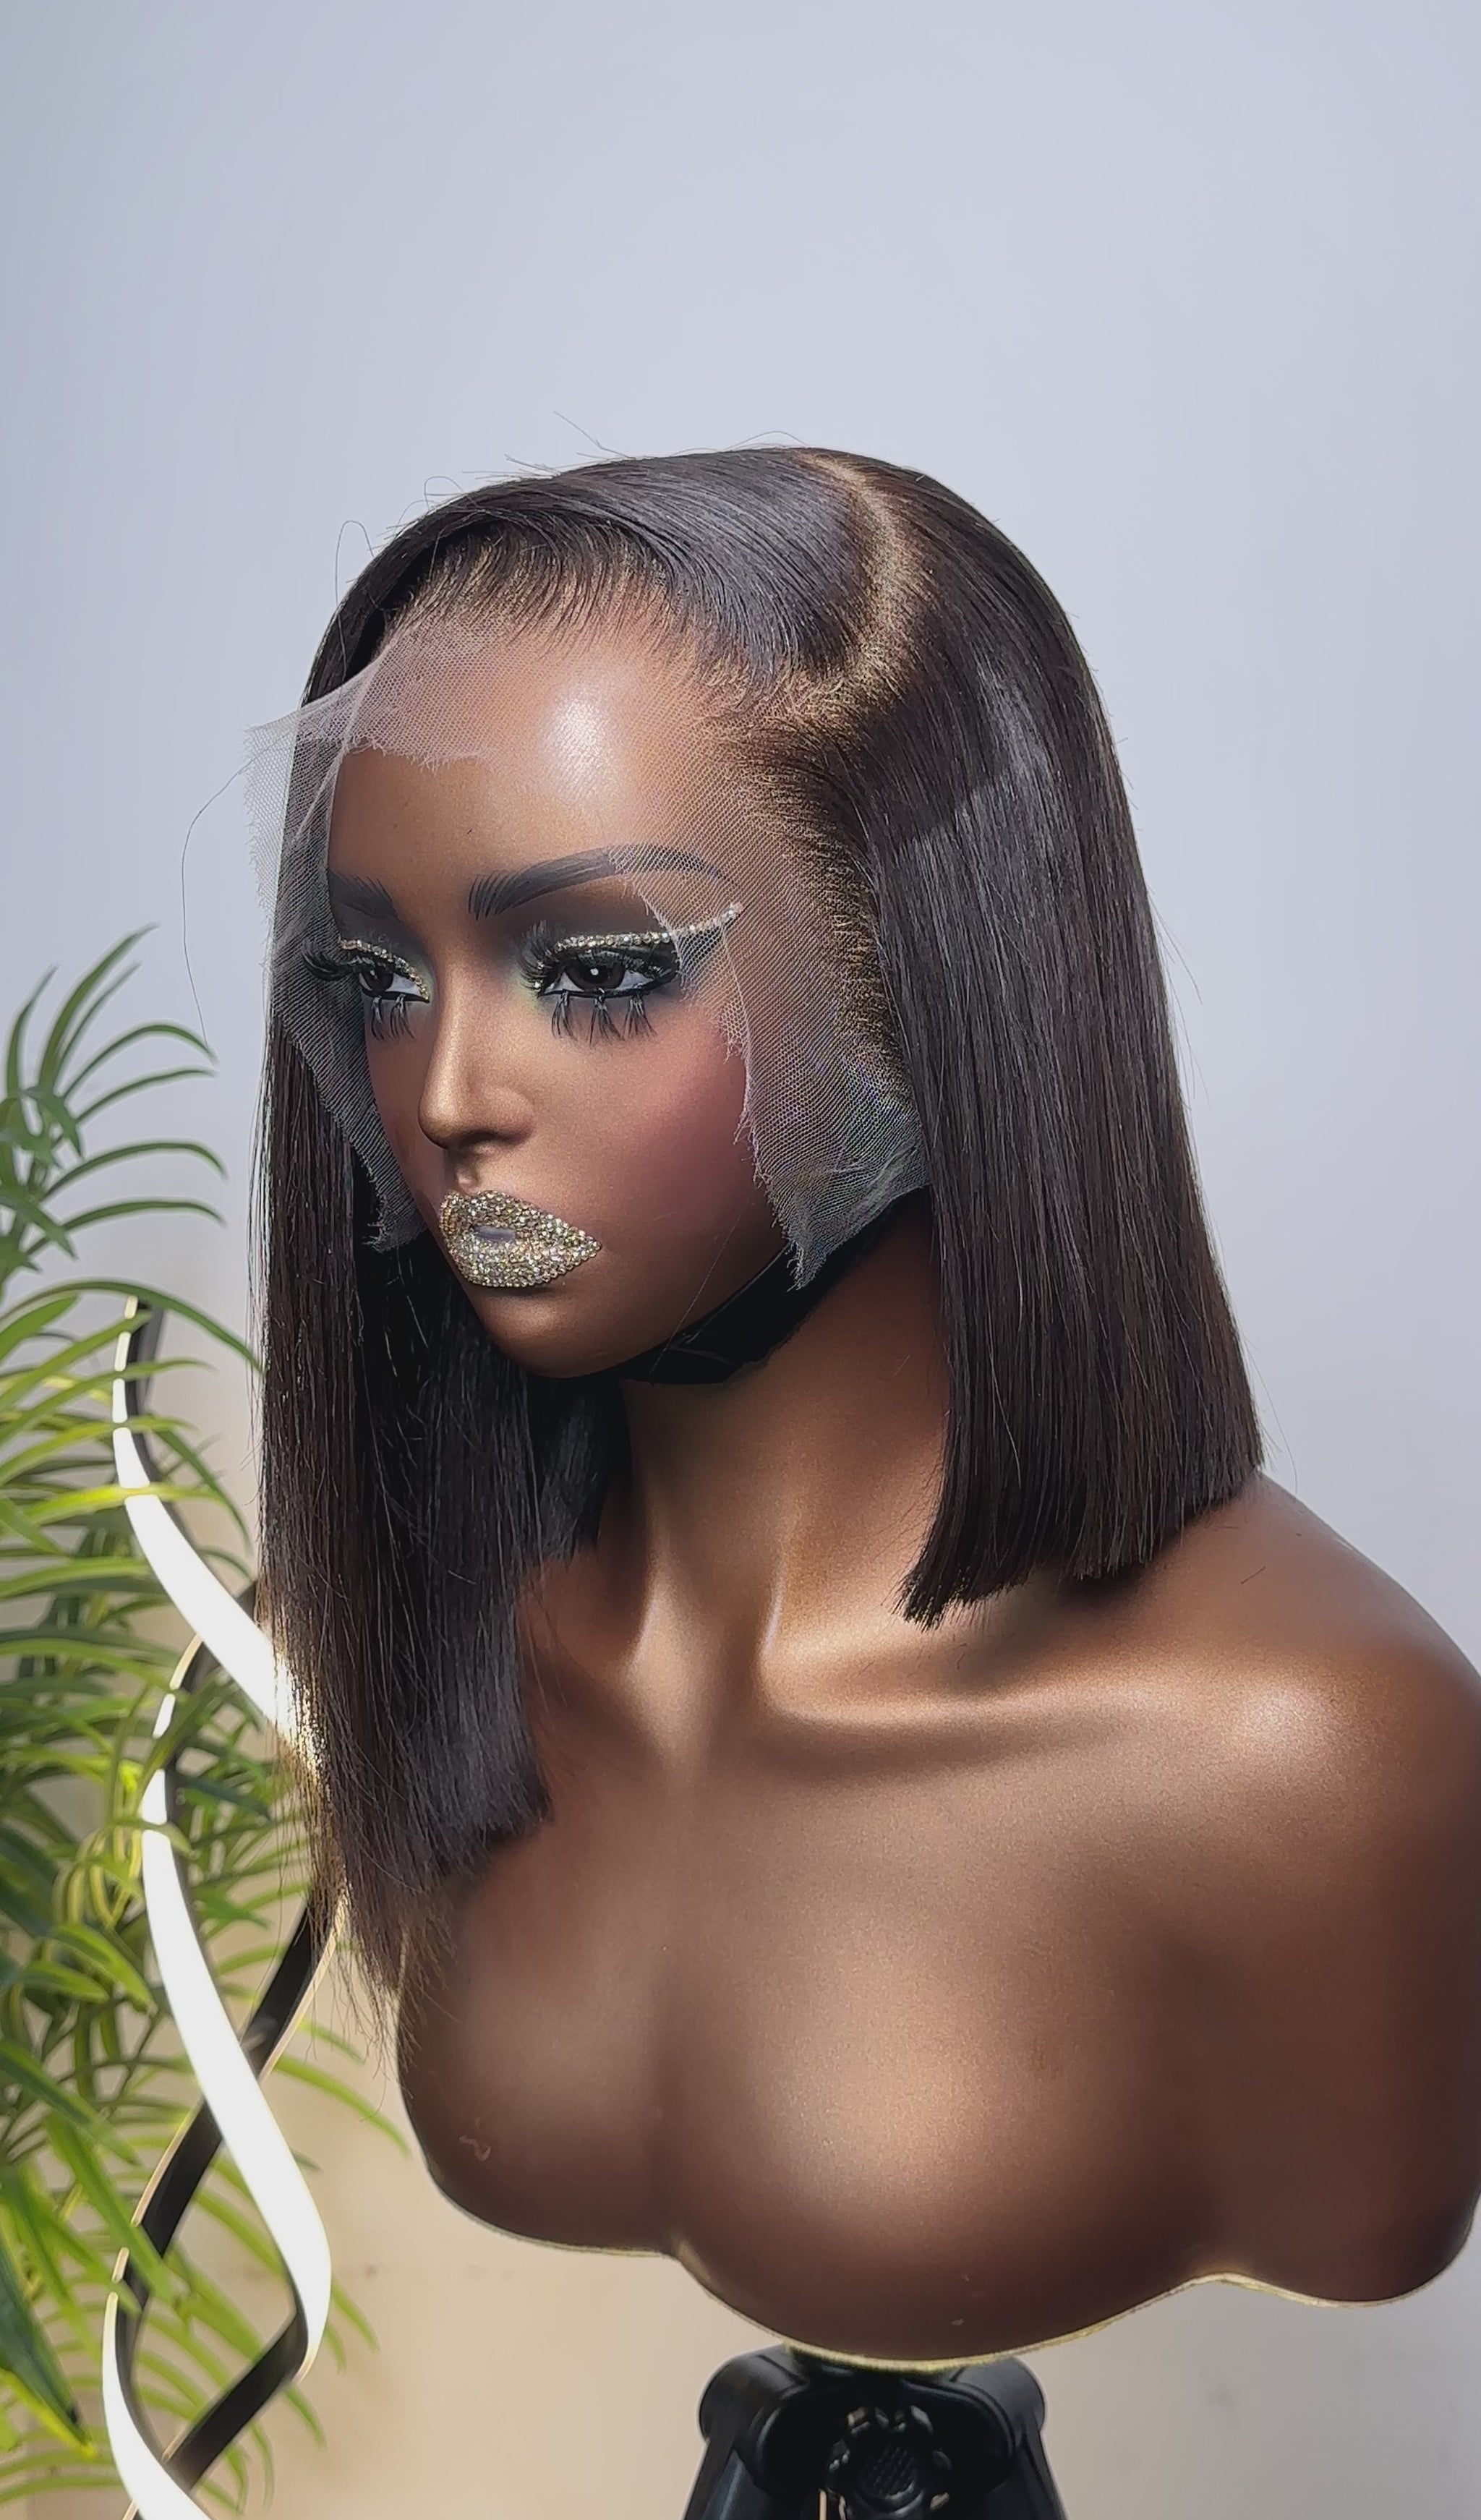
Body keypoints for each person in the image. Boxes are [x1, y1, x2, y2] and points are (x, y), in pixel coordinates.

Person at [253, 447, 1481, 2370]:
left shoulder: (1307, 1756)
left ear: (924, 981)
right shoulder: (445, 1640)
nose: (451, 1091)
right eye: (377, 977)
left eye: (597, 970)